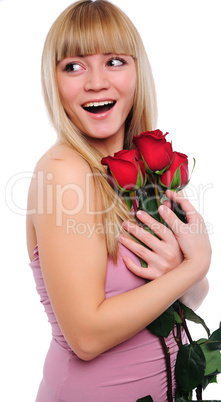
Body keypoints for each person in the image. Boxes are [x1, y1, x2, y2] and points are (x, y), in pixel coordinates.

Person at [26, 1, 211, 400]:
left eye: (114, 61)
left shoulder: (140, 171)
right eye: (73, 66)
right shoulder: (63, 171)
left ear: (136, 70)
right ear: (53, 81)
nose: (95, 82)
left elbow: (190, 295)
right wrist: (193, 265)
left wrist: (181, 270)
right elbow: (87, 337)